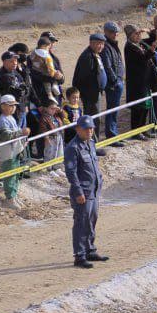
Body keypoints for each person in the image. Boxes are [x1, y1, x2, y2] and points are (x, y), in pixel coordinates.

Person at [64, 114, 107, 268]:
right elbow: (71, 172)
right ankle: (80, 255)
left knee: (92, 219)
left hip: (93, 190)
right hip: (83, 192)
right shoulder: (72, 148)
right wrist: (78, 192)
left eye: (91, 128)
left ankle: (90, 249)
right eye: (86, 129)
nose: (89, 131)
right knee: (81, 222)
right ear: (78, 129)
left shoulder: (91, 143)